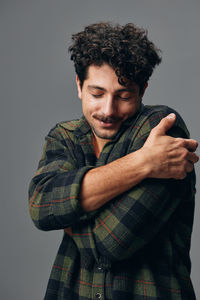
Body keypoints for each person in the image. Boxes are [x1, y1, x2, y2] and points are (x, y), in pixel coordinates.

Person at [29, 22, 199, 299]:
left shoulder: (163, 130)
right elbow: (40, 206)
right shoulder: (65, 137)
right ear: (79, 86)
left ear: (142, 90)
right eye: (97, 94)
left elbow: (113, 242)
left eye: (123, 96)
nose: (108, 110)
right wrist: (143, 162)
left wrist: (69, 215)